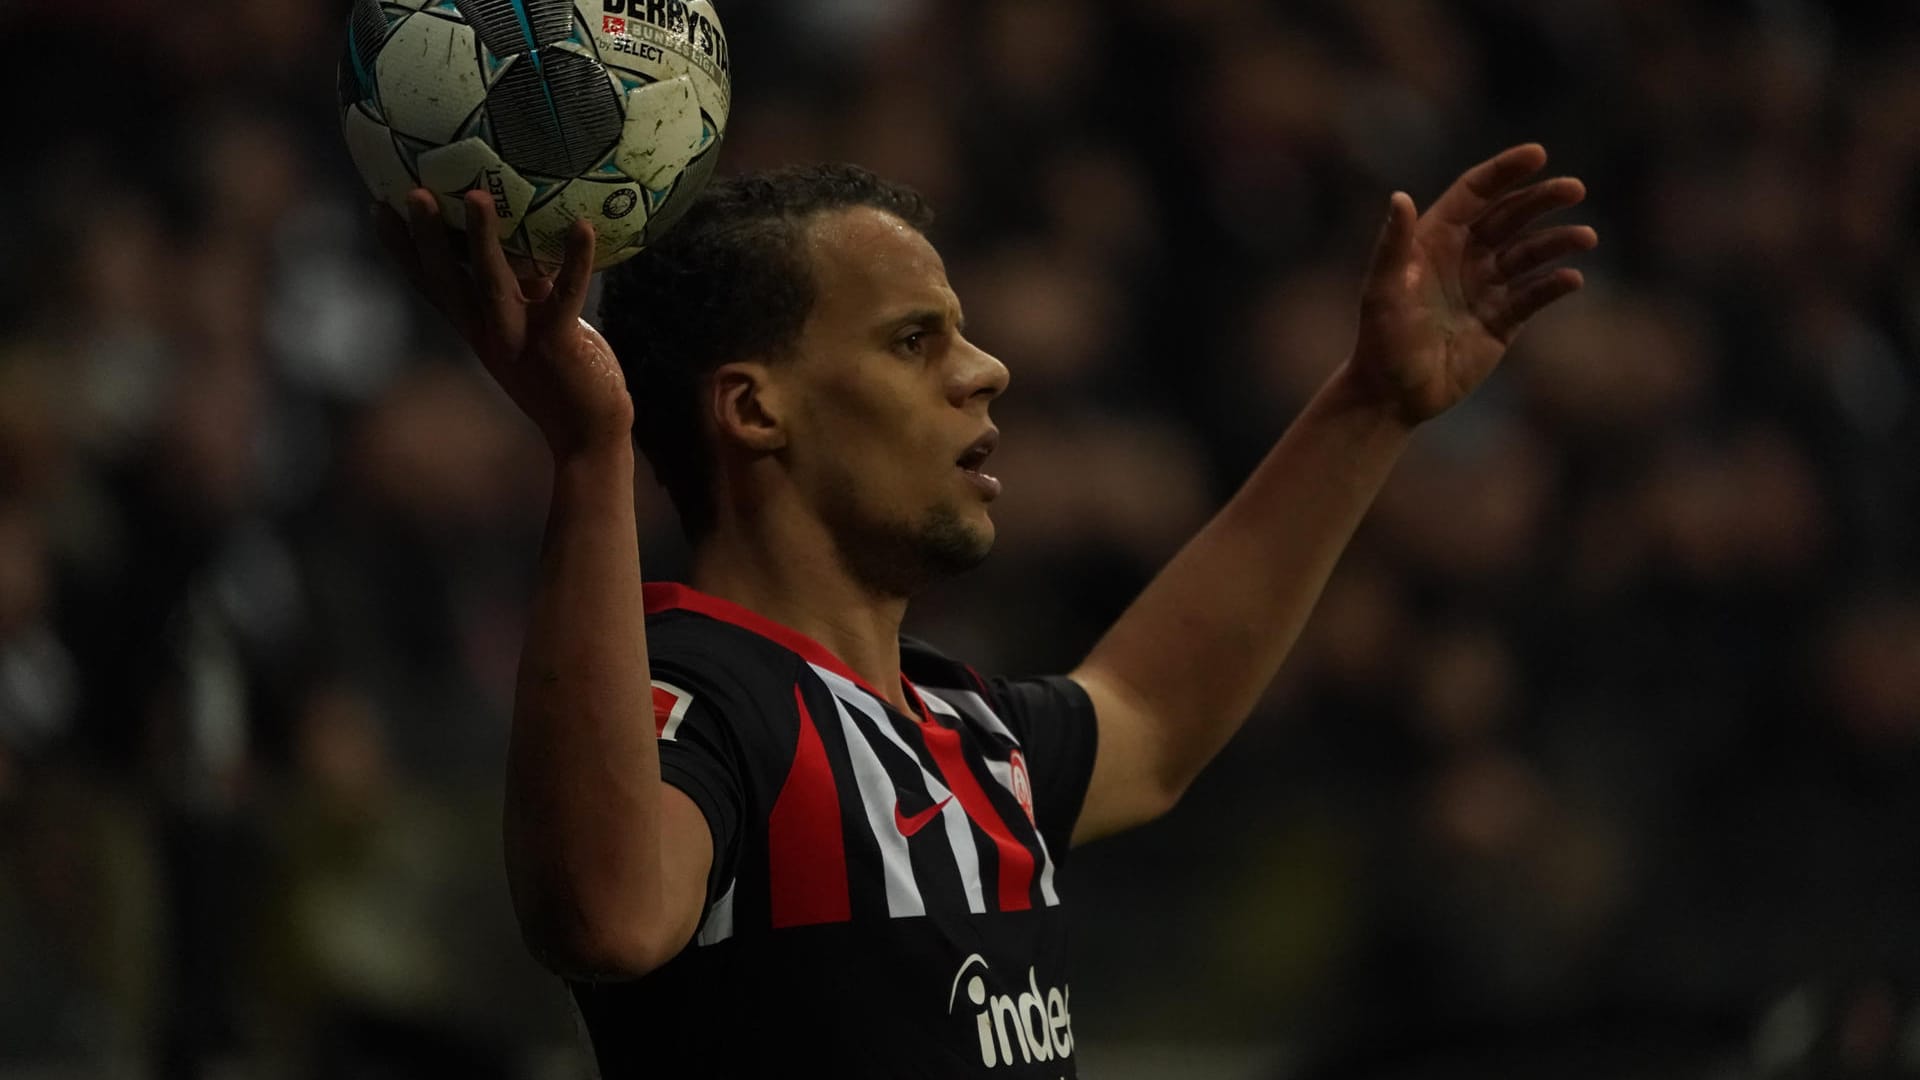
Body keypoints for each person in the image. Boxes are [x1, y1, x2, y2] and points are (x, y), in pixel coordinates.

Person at [376, 143, 1594, 1077]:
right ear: (753, 410)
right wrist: (591, 455)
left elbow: (1153, 719)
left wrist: (1371, 404)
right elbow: (605, 912)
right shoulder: (711, 699)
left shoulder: (962, 734)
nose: (988, 368)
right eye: (917, 340)